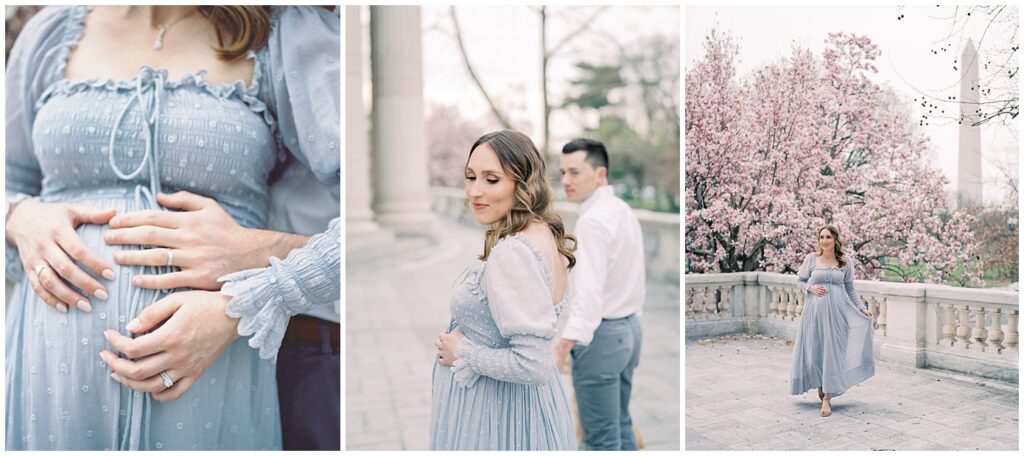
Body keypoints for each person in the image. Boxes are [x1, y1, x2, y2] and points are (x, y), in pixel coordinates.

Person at [5, 5, 338, 450]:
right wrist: (19, 216)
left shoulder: (281, 32)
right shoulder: (50, 33)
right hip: (47, 374)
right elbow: (8, 178)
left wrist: (249, 290)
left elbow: (359, 233)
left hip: (211, 376)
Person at [430, 130, 577, 450]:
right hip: (527, 407)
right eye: (470, 177)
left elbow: (534, 364)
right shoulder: (544, 234)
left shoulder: (513, 252)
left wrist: (463, 352)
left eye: (492, 179)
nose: (474, 191)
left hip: (499, 417)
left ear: (523, 183)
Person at [553, 138, 646, 450]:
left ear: (600, 174)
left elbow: (588, 294)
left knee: (599, 441)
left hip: (602, 337)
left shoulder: (592, 221)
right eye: (563, 172)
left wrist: (564, 345)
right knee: (621, 425)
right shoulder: (621, 210)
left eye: (575, 172)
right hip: (629, 330)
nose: (566, 180)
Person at [789, 226, 875, 417]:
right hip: (814, 314)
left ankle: (827, 397)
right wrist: (810, 288)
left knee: (834, 351)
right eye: (821, 237)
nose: (824, 240)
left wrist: (862, 308)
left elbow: (850, 289)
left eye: (828, 237)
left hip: (838, 314)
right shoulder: (811, 259)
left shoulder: (845, 261)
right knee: (817, 350)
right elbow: (800, 281)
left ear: (835, 239)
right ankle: (821, 382)